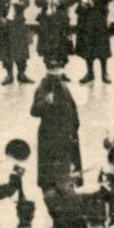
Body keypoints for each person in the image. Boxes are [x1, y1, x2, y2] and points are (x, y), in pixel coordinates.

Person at [31, 55, 82, 194]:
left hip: (66, 133)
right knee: (51, 168)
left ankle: (67, 186)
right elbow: (34, 110)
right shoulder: (43, 88)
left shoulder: (63, 86)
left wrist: (74, 128)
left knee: (66, 165)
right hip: (51, 135)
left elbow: (72, 108)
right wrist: (46, 102)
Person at [73, 0, 114, 84]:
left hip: (98, 14)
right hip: (85, 14)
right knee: (87, 44)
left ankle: (104, 72)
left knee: (101, 44)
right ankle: (89, 72)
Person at [0, 0, 33, 85]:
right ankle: (9, 74)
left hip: (17, 21)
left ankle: (21, 73)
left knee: (21, 49)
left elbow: (27, 2)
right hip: (4, 22)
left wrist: (19, 4)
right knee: (6, 49)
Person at [34, 0, 73, 65]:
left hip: (61, 17)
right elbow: (37, 1)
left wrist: (59, 1)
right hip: (47, 18)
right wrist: (46, 0)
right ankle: (49, 69)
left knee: (62, 43)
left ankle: (62, 70)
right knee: (47, 43)